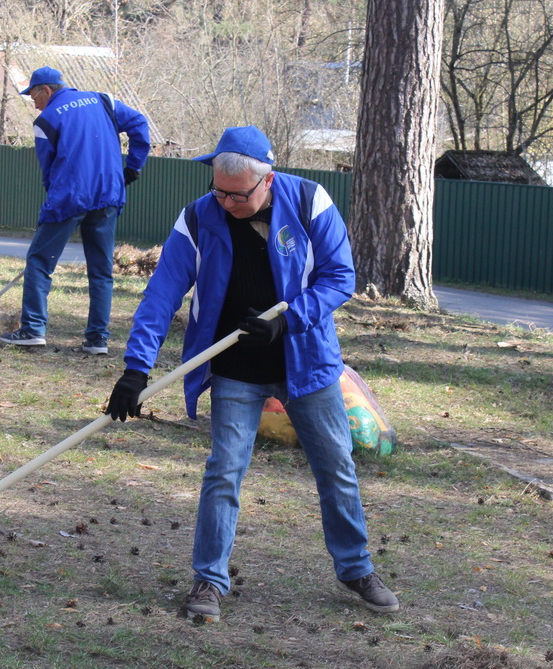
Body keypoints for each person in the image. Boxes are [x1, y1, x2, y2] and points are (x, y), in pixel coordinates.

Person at [105, 126, 399, 622]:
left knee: (336, 468)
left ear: (269, 179)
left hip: (307, 362)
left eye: (237, 195)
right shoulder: (199, 218)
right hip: (235, 368)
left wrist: (288, 320)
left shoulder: (310, 202)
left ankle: (356, 568)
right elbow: (162, 293)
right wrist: (136, 368)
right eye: (218, 191)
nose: (226, 203)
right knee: (223, 472)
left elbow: (340, 277)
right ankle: (209, 580)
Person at [0, 66, 151, 354]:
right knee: (101, 270)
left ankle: (32, 329)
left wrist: (52, 203)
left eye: (33, 95)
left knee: (39, 262)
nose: (33, 103)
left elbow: (48, 170)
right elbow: (139, 124)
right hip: (108, 193)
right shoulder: (103, 101)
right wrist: (133, 166)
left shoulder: (45, 120)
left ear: (47, 89)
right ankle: (97, 340)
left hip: (69, 195)